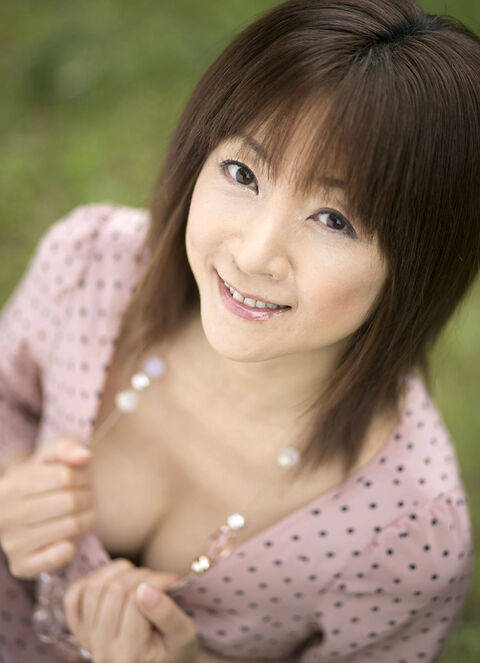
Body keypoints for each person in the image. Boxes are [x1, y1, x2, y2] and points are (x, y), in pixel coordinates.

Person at [0, 0, 478, 661]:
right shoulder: (88, 266)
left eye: (334, 220)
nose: (254, 254)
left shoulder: (406, 531)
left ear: (421, 265)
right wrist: (11, 480)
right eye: (243, 173)